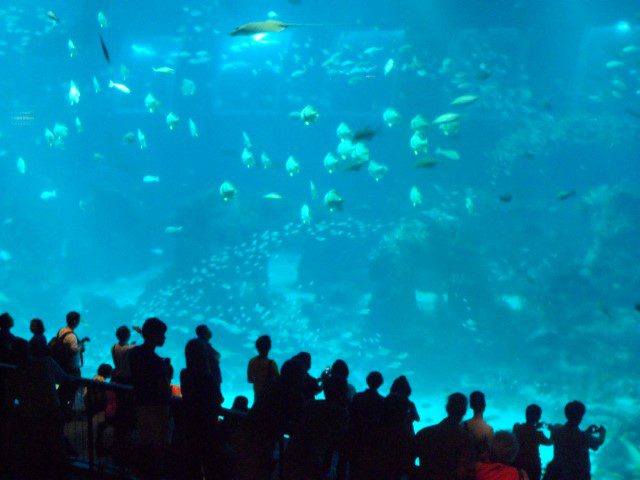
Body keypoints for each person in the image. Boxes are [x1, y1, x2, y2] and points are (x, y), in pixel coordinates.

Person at [128, 317, 172, 479]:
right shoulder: (157, 362)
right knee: (156, 444)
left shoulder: (134, 353)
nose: (164, 338)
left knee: (144, 441)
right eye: (162, 334)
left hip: (140, 402)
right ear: (154, 335)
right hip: (156, 407)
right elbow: (162, 388)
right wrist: (166, 372)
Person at [415, 392, 475, 480]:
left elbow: (407, 461)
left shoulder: (424, 433)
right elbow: (466, 471)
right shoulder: (467, 439)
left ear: (446, 408)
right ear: (464, 411)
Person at [544, 401, 606, 480]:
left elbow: (570, 436)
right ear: (580, 417)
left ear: (566, 414)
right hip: (577, 475)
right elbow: (598, 442)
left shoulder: (557, 430)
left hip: (557, 473)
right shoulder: (584, 437)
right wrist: (603, 433)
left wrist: (586, 432)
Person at [53, 311, 86, 414]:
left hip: (62, 365)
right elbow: (73, 350)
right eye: (78, 321)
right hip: (71, 369)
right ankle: (67, 413)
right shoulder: (71, 336)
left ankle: (61, 410)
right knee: (71, 391)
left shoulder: (61, 331)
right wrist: (81, 347)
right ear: (75, 321)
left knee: (63, 390)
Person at [513, 405, 553, 480]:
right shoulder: (538, 434)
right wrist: (552, 430)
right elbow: (549, 443)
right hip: (533, 466)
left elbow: (527, 429)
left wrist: (536, 426)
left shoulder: (517, 429)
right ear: (538, 418)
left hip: (518, 464)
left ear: (526, 414)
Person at [247, 334, 279, 401]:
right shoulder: (272, 364)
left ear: (257, 347)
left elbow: (250, 380)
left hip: (257, 397)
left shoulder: (252, 361)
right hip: (269, 398)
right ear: (269, 347)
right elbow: (277, 382)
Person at [463, 391, 494, 456]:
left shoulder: (462, 425)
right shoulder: (488, 429)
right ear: (484, 405)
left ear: (471, 405)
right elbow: (489, 452)